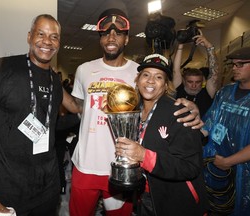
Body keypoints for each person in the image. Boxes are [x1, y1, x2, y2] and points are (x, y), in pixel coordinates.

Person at [69, 8, 204, 216]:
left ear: (127, 39)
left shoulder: (138, 70)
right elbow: (79, 107)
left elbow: (159, 94)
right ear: (100, 38)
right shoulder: (84, 70)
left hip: (124, 166)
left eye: (119, 33)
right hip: (86, 162)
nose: (111, 37)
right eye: (106, 33)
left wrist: (189, 105)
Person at [0, 14, 80, 216]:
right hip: (5, 191)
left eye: (54, 37)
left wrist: (83, 117)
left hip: (47, 192)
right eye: (40, 34)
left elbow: (50, 125)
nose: (47, 41)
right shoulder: (1, 70)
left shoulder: (54, 80)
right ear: (29, 36)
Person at [115, 53, 208, 216]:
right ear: (137, 80)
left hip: (175, 201)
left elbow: (191, 167)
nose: (150, 81)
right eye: (146, 75)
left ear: (166, 85)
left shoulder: (180, 113)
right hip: (145, 196)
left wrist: (144, 155)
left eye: (158, 77)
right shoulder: (133, 110)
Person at [201, 46, 250, 216]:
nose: (234, 68)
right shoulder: (225, 92)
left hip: (242, 172)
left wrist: (228, 162)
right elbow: (209, 123)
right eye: (233, 64)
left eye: (240, 64)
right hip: (215, 167)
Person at [173, 33, 220, 117]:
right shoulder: (179, 90)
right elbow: (176, 70)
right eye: (190, 82)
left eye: (197, 82)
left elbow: (214, 74)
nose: (194, 85)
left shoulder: (207, 93)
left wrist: (209, 46)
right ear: (184, 81)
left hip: (200, 129)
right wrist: (180, 46)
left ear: (202, 81)